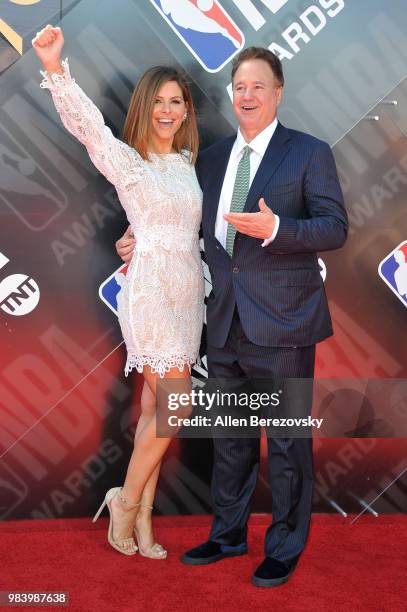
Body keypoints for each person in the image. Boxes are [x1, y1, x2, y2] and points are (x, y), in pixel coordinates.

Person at [117, 46, 348, 586]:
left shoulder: (308, 153)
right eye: (239, 87)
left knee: (288, 443)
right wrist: (134, 241)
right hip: (222, 323)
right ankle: (226, 536)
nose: (246, 96)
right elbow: (178, 228)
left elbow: (334, 228)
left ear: (278, 93)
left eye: (257, 87)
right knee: (233, 439)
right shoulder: (212, 158)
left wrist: (277, 229)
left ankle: (285, 547)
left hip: (285, 323)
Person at [33, 25, 204, 559]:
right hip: (150, 291)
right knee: (178, 405)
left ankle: (143, 523)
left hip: (188, 295)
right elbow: (88, 129)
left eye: (176, 102)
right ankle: (125, 500)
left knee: (157, 405)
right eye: (158, 102)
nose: (167, 111)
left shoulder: (186, 165)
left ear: (186, 111)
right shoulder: (128, 164)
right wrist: (55, 68)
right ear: (144, 108)